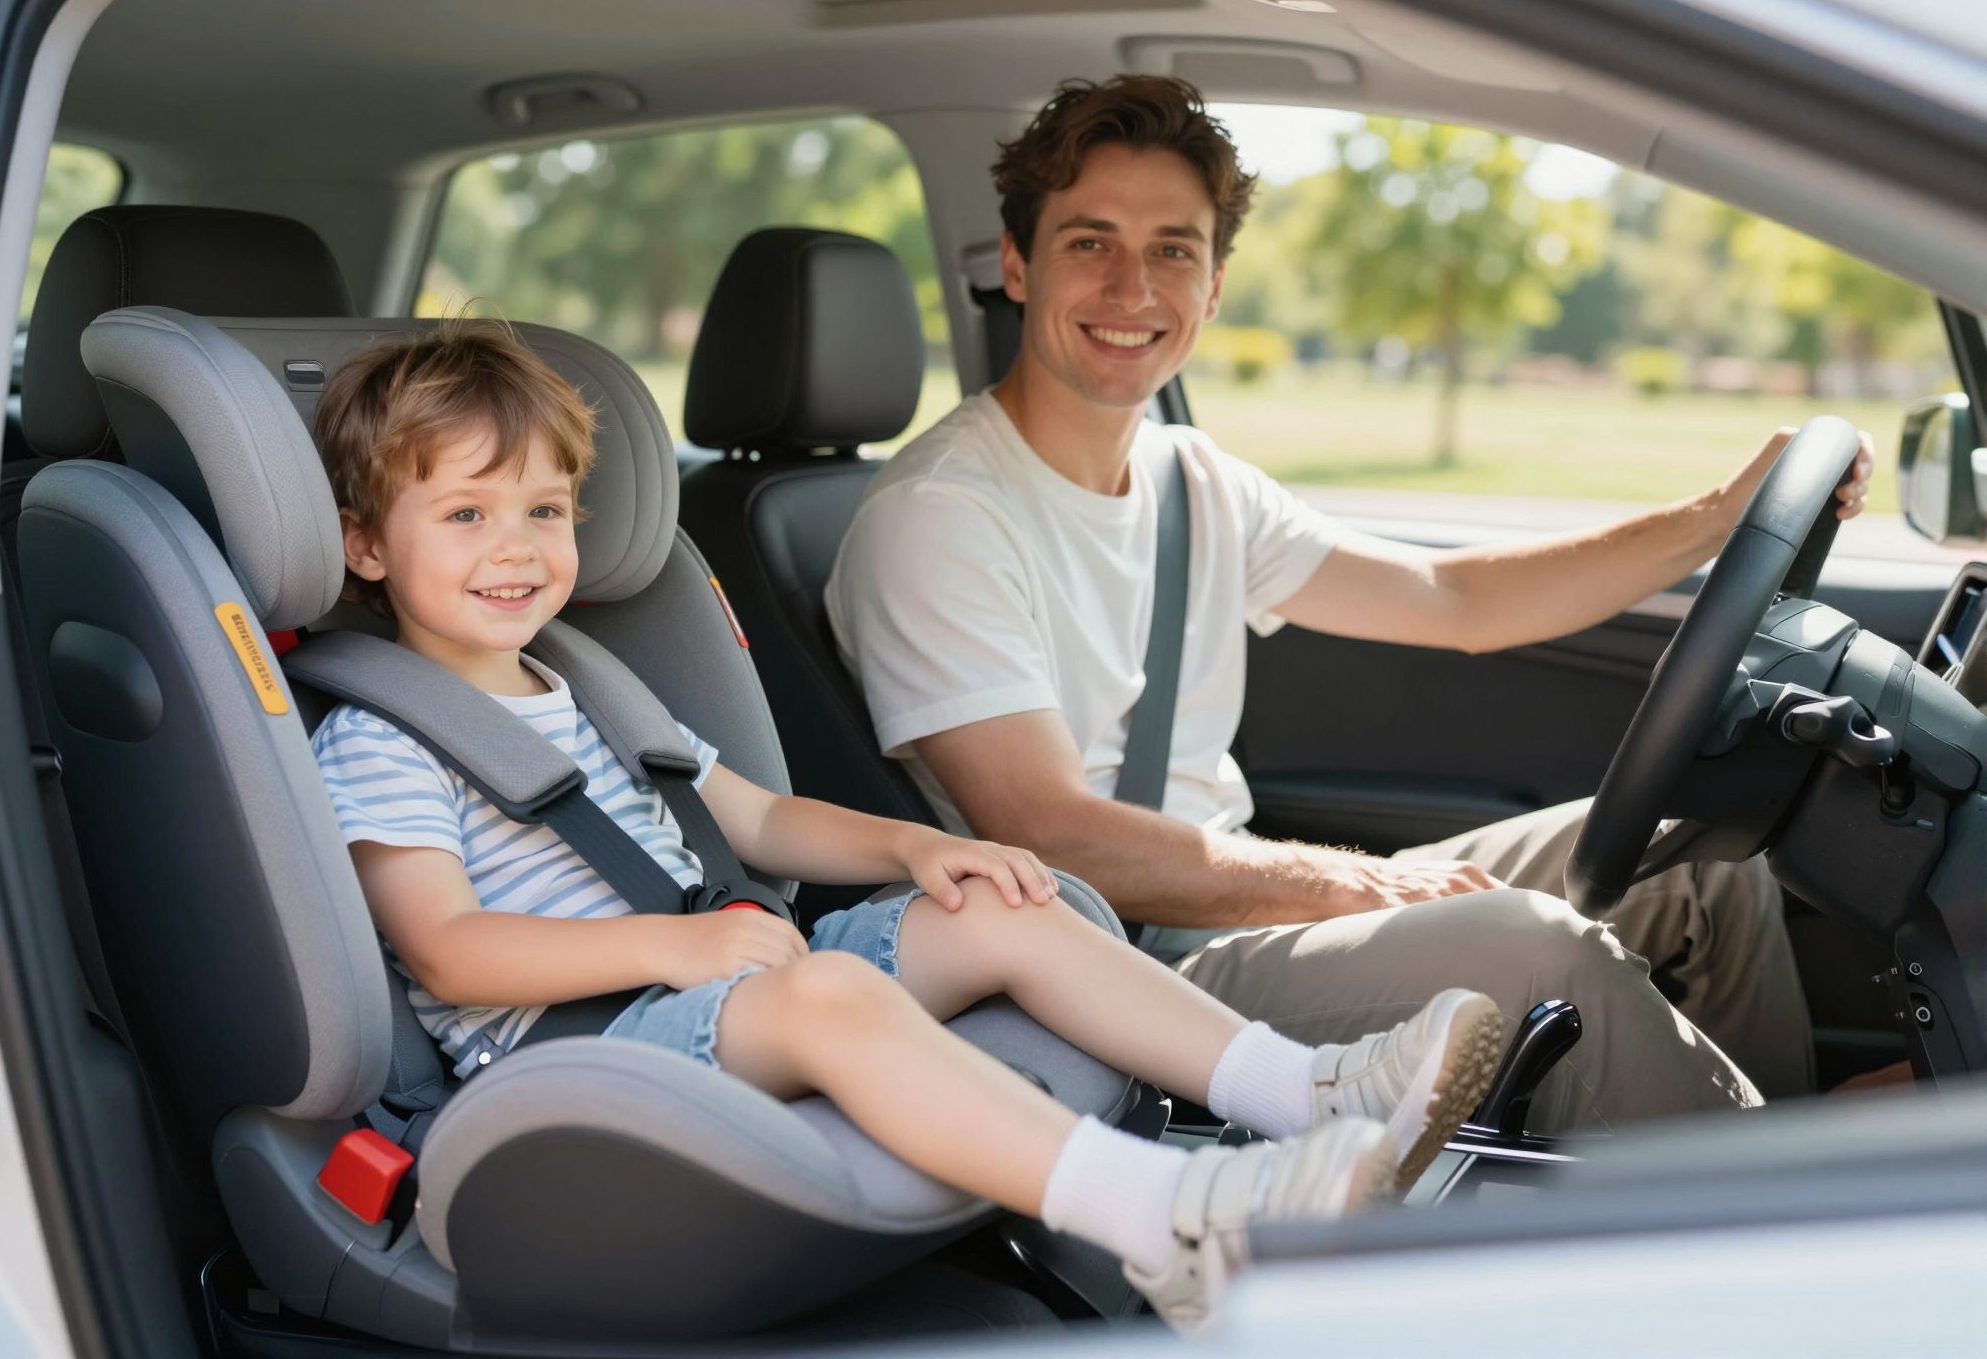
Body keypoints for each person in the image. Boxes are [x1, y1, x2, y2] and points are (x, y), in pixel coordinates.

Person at [304, 321, 1508, 1331]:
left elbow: (759, 818)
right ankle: (1171, 1217)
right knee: (828, 998)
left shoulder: (584, 685)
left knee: (997, 903)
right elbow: (450, 949)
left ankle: (1307, 1093)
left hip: (714, 989)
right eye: (463, 516)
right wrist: (678, 949)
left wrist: (916, 851)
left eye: (544, 508)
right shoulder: (383, 736)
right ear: (364, 544)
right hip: (569, 1059)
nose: (515, 546)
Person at [827, 75, 1879, 1130]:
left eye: (1172, 250)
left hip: (1224, 917)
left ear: (1215, 284)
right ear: (1017, 264)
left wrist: (1714, 516)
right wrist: (1355, 886)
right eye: (1088, 243)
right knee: (1535, 947)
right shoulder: (939, 517)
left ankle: (1770, 1166)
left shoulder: (1191, 480)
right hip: (1111, 971)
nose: (1132, 289)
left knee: (1697, 863)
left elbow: (1455, 598)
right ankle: (1778, 1219)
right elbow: (1052, 838)